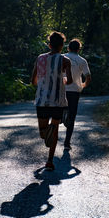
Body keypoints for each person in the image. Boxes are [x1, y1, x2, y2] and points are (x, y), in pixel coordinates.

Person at [31, 31, 73, 171]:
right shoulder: (65, 60)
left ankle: (49, 157)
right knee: (54, 132)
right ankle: (49, 160)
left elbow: (33, 81)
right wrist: (61, 80)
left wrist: (43, 83)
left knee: (43, 134)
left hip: (42, 100)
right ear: (62, 46)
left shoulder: (40, 58)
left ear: (49, 45)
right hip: (58, 101)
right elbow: (70, 81)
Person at [63, 39, 91, 151]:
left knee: (57, 113)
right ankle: (67, 143)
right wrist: (83, 85)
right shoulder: (82, 60)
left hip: (61, 90)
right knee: (72, 116)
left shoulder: (61, 57)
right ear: (79, 49)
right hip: (74, 91)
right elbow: (88, 76)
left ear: (68, 48)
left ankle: (63, 115)